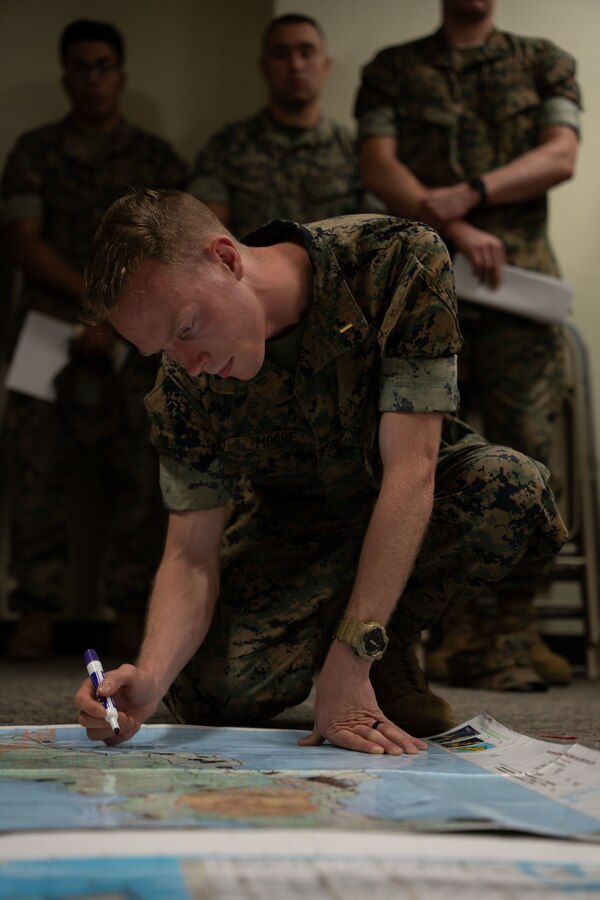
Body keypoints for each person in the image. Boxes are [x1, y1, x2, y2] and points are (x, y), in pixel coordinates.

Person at [74, 188, 566, 752]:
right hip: (291, 533)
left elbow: (411, 471)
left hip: (412, 501)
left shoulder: (395, 259)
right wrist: (152, 675)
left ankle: (381, 646)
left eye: (186, 329)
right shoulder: (183, 384)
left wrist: (353, 654)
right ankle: (341, 632)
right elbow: (190, 553)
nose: (193, 365)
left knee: (509, 488)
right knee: (210, 694)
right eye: (162, 349)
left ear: (226, 259)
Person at [354, 0, 581, 690]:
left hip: (517, 289)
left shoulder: (544, 60)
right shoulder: (394, 69)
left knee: (527, 455)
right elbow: (378, 165)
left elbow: (561, 154)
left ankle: (510, 631)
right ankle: (433, 632)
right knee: (417, 455)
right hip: (423, 283)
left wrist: (468, 195)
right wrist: (447, 226)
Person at [0, 20, 188, 659]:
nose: (92, 78)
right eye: (80, 66)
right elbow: (23, 241)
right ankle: (34, 608)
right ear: (65, 76)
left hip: (138, 336)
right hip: (47, 334)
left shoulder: (156, 160)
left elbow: (172, 253)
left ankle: (135, 609)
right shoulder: (33, 150)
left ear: (122, 75)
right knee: (34, 471)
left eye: (103, 65)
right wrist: (92, 308)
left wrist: (110, 316)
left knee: (142, 472)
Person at [187, 13, 367, 237]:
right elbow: (206, 230)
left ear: (326, 65)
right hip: (248, 270)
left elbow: (376, 232)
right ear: (264, 67)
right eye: (281, 54)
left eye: (307, 52)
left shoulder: (355, 150)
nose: (295, 65)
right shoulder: (226, 148)